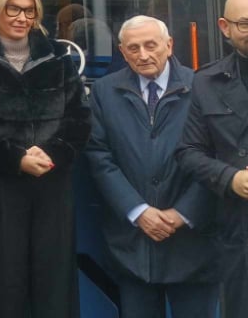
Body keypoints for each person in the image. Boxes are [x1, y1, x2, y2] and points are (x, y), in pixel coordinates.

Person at [0, 0, 90, 318]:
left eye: (29, 11)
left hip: (52, 181)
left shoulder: (58, 58)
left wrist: (53, 153)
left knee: (55, 281)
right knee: (6, 280)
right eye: (13, 9)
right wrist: (16, 159)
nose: (21, 17)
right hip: (2, 182)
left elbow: (79, 119)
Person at [86, 16, 217, 318]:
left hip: (193, 243)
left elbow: (217, 157)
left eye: (151, 45)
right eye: (133, 48)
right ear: (121, 51)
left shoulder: (202, 86)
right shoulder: (105, 92)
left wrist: (183, 213)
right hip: (133, 246)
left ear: (169, 45)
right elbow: (98, 155)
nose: (143, 55)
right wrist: (137, 211)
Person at [176, 0, 248, 318]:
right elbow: (189, 151)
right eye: (246, 24)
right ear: (225, 27)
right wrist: (230, 178)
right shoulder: (207, 82)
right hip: (241, 242)